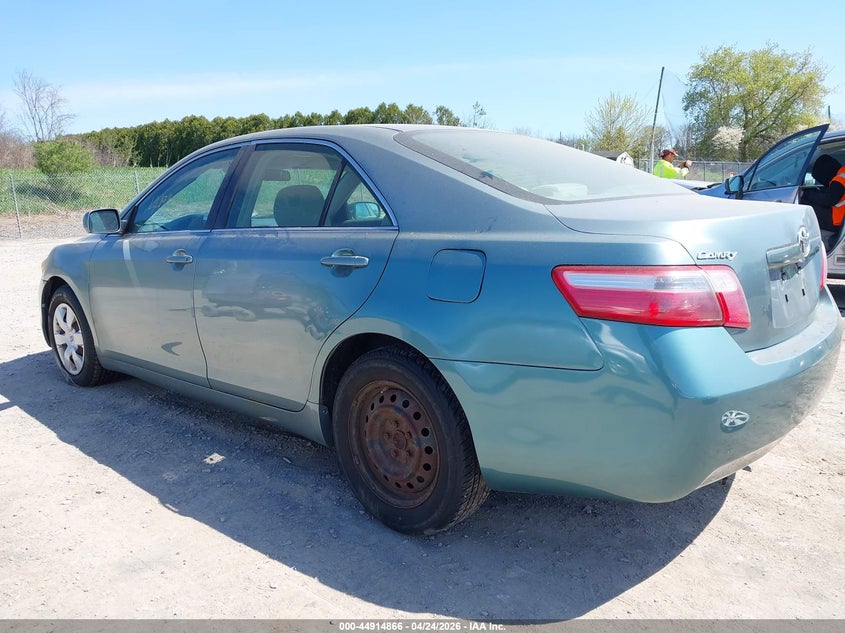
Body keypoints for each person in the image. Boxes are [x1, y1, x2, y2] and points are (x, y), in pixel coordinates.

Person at [800, 154, 845, 233]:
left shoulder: (840, 179)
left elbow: (828, 199)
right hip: (841, 217)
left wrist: (805, 194)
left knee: (805, 206)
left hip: (838, 220)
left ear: (825, 171)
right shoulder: (842, 174)